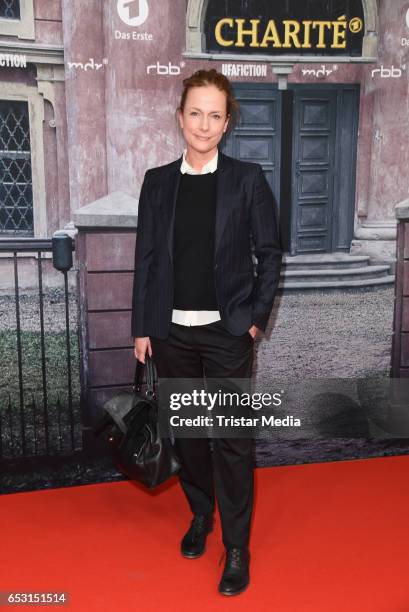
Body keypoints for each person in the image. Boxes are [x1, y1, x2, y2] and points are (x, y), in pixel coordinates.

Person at [131, 69, 282, 596]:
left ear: (226, 122)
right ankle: (201, 514)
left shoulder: (247, 179)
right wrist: (142, 327)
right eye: (195, 112)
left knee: (232, 441)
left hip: (227, 334)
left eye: (215, 114)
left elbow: (269, 253)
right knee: (191, 437)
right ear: (180, 117)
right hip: (170, 334)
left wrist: (255, 319)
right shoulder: (157, 181)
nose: (204, 123)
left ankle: (236, 546)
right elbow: (146, 259)